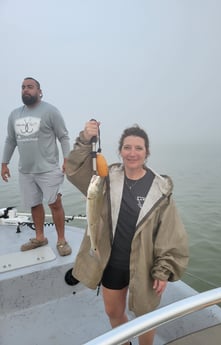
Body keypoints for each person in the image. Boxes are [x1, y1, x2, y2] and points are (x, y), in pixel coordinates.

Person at [65, 120, 189, 345]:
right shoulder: (105, 179)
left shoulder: (160, 189)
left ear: (147, 152)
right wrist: (85, 138)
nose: (132, 153)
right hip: (112, 262)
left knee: (146, 318)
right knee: (113, 312)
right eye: (127, 147)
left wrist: (164, 269)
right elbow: (73, 171)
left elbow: (170, 233)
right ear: (120, 151)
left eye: (138, 148)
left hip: (145, 265)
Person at [1, 77, 71, 256]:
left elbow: (63, 136)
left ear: (39, 91)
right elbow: (10, 140)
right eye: (23, 87)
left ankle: (61, 240)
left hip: (49, 168)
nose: (26, 90)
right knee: (34, 204)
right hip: (26, 170)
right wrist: (4, 163)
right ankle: (40, 238)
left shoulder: (50, 111)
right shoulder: (14, 114)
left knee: (55, 204)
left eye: (30, 87)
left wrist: (67, 159)